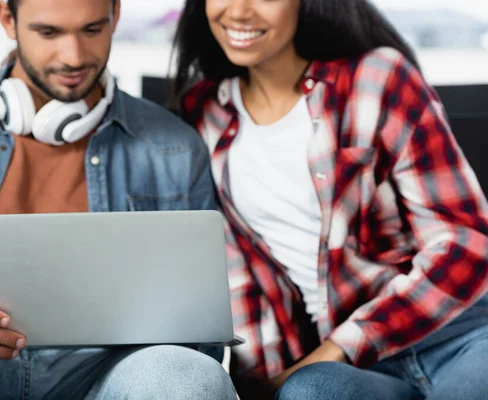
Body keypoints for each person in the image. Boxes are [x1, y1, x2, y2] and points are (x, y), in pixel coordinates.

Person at [0, 0, 238, 399]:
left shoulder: (174, 147)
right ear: (7, 18)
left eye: (91, 30)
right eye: (49, 32)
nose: (73, 57)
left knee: (185, 378)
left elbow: (194, 319)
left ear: (116, 15)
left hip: (108, 372)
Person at [172, 0, 488, 399]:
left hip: (451, 332)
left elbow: (466, 243)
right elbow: (239, 276)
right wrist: (265, 384)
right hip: (352, 369)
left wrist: (339, 347)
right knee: (310, 391)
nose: (238, 11)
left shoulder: (376, 78)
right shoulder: (202, 111)